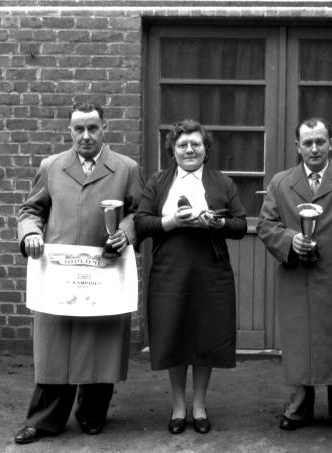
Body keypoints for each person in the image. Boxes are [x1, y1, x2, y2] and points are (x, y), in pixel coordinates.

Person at [14, 101, 144, 444]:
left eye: (93, 128)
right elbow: (31, 209)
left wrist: (126, 233)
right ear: (69, 130)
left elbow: (140, 212)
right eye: (78, 129)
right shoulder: (52, 166)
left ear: (105, 129)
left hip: (104, 271)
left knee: (99, 344)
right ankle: (45, 419)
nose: (86, 136)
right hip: (58, 275)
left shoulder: (126, 168)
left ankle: (92, 414)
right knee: (55, 347)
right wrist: (30, 233)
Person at [257, 117, 332, 434]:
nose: (314, 148)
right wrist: (290, 241)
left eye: (320, 141)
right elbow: (267, 226)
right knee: (300, 345)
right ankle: (298, 408)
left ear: (331, 144)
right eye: (307, 143)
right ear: (297, 146)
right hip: (299, 277)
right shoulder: (281, 182)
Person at [134, 119, 247, 435]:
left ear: (205, 148)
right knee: (174, 336)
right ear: (173, 149)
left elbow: (239, 225)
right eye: (182, 144)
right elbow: (142, 223)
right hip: (169, 273)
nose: (189, 149)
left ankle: (199, 406)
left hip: (211, 273)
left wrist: (215, 224)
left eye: (196, 144)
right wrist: (170, 221)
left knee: (205, 337)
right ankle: (177, 407)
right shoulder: (158, 182)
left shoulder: (223, 183)